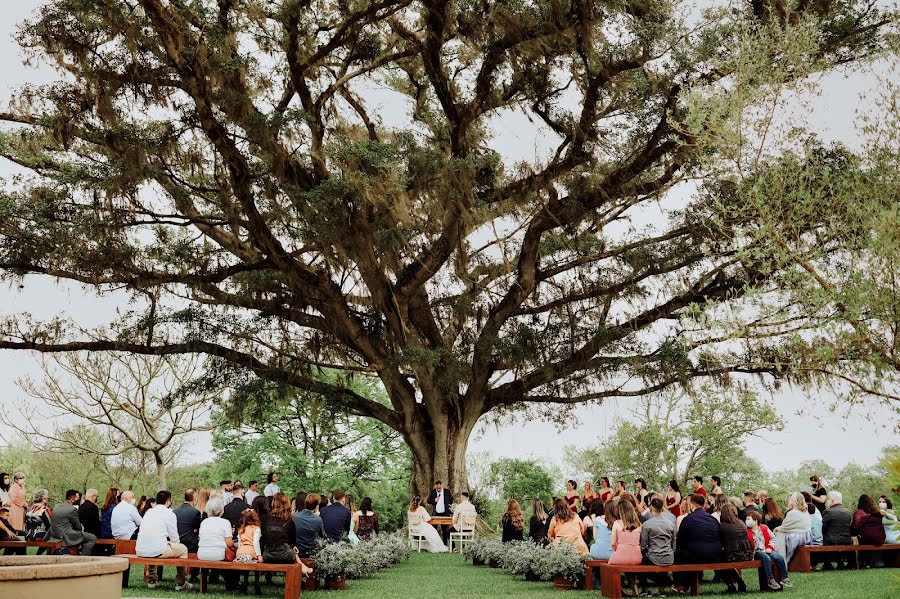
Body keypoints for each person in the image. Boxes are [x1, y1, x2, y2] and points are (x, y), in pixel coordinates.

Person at [136, 490, 191, 590]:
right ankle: (181, 582)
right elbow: (174, 537)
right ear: (168, 501)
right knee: (183, 549)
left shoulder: (148, 512)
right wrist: (175, 547)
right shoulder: (169, 514)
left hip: (140, 549)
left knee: (155, 545)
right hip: (157, 550)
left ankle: (151, 580)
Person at [673, 494, 721, 593]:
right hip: (715, 554)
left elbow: (680, 539)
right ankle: (688, 583)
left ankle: (680, 585)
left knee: (679, 555)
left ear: (692, 504)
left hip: (695, 555)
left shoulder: (688, 519)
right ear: (704, 505)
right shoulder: (712, 519)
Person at [746, 510, 793, 591]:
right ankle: (770, 579)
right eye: (746, 519)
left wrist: (770, 547)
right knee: (766, 558)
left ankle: (784, 578)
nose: (746, 521)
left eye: (748, 519)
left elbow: (773, 539)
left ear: (755, 520)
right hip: (756, 553)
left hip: (766, 549)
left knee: (779, 557)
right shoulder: (746, 531)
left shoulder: (764, 528)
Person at [638, 496, 675, 596]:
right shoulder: (670, 524)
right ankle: (661, 589)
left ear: (651, 509)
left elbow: (643, 545)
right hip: (669, 557)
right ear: (663, 508)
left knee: (639, 561)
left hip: (653, 556)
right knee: (659, 559)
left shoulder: (646, 524)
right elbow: (674, 544)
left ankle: (645, 589)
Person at [46, 489, 96, 556]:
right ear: (73, 499)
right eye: (77, 497)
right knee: (92, 538)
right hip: (66, 536)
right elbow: (78, 527)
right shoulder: (72, 509)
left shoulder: (56, 506)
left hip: (54, 534)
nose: (78, 499)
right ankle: (82, 558)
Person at [719, 502, 752, 593]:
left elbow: (721, 543)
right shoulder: (741, 523)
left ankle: (731, 585)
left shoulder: (722, 526)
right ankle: (739, 581)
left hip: (733, 555)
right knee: (726, 561)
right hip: (747, 554)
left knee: (718, 561)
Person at [262, 492, 303, 564]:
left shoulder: (266, 519)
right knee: (294, 553)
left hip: (267, 555)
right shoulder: (290, 521)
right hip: (285, 555)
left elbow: (262, 538)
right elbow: (293, 540)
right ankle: (303, 568)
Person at [774, 492, 811, 565]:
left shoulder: (792, 513)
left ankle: (782, 560)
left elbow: (785, 527)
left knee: (779, 534)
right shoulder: (806, 512)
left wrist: (777, 529)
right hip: (806, 537)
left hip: (796, 538)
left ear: (794, 501)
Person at [820, 491, 853, 569]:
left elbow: (823, 528)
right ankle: (840, 562)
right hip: (846, 539)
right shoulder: (847, 512)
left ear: (832, 500)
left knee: (822, 537)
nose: (827, 501)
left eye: (828, 499)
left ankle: (827, 563)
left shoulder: (828, 512)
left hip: (832, 540)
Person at [293, 492, 326, 556]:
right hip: (311, 553)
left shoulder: (295, 516)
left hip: (297, 551)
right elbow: (323, 537)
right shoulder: (318, 520)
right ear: (317, 506)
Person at [174, 488, 202, 553]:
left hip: (178, 543)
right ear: (194, 497)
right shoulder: (195, 512)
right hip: (191, 545)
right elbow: (198, 529)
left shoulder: (175, 511)